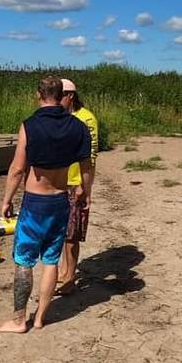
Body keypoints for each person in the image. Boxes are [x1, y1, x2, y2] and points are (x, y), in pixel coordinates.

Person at [0, 76, 92, 333]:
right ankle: (39, 318)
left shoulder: (29, 125)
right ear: (61, 96)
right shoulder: (78, 126)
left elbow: (17, 169)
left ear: (39, 95)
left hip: (34, 203)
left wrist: (6, 200)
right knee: (51, 260)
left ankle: (18, 321)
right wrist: (86, 191)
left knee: (24, 261)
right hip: (61, 200)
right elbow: (86, 165)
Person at [56, 78, 98, 295]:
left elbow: (90, 156)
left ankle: (70, 278)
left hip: (76, 182)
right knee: (62, 232)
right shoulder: (59, 117)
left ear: (70, 96)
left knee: (73, 235)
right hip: (59, 181)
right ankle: (64, 271)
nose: (56, 99)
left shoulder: (86, 119)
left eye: (59, 95)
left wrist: (86, 187)